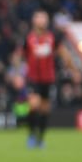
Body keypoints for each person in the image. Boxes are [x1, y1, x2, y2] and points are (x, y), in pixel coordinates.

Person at [22, 10, 74, 148]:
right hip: (33, 78)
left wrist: (73, 70)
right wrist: (17, 73)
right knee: (33, 104)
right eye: (38, 17)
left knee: (45, 109)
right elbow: (21, 55)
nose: (41, 20)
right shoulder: (28, 38)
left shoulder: (53, 38)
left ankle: (40, 138)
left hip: (48, 79)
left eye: (43, 18)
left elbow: (64, 54)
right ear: (34, 20)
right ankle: (32, 135)